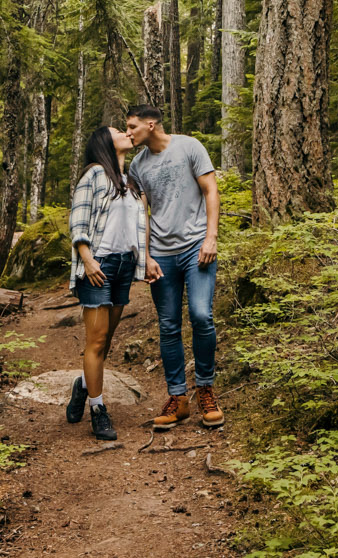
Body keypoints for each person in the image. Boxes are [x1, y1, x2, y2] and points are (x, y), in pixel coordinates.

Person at [125, 103, 224, 432]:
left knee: (201, 315)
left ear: (151, 124)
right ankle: (178, 399)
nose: (129, 133)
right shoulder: (137, 167)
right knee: (168, 326)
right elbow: (141, 215)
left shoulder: (190, 147)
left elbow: (211, 190)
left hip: (197, 247)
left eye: (133, 126)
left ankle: (205, 389)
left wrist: (211, 238)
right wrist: (146, 256)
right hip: (161, 256)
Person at [65, 124, 145, 441]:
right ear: (104, 142)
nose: (126, 133)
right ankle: (97, 410)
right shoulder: (94, 175)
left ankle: (82, 385)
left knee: (107, 340)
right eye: (118, 131)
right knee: (96, 342)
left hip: (124, 264)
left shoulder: (130, 182)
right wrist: (87, 260)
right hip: (98, 265)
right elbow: (78, 221)